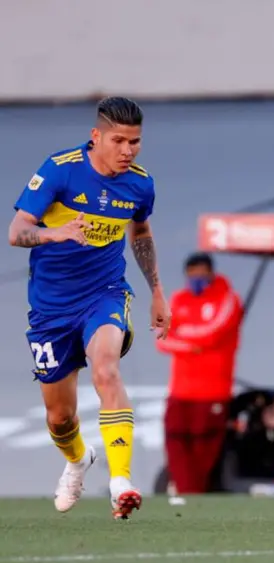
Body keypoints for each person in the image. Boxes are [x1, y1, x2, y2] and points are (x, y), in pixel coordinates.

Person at [8, 96, 168, 520]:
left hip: (105, 293)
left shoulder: (139, 183)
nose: (128, 150)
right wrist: (54, 234)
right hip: (51, 307)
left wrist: (156, 290)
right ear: (96, 137)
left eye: (135, 142)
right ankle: (79, 460)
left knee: (106, 368)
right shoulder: (60, 169)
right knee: (60, 417)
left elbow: (141, 231)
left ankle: (121, 482)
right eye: (119, 140)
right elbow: (17, 230)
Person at [155, 252, 243, 495]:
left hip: (213, 390)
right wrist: (191, 344)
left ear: (211, 273)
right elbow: (161, 338)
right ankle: (185, 493)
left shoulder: (227, 299)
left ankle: (197, 495)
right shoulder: (178, 299)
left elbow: (213, 333)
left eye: (201, 273)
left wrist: (182, 335)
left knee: (205, 449)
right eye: (192, 274)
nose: (196, 278)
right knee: (175, 442)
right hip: (180, 390)